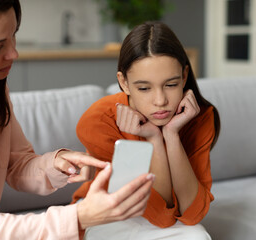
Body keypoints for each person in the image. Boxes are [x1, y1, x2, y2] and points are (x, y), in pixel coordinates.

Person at [0, 0, 154, 239]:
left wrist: (58, 164)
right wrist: (80, 216)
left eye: (13, 36)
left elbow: (15, 163)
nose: (13, 53)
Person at [72, 21, 221, 239]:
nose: (160, 101)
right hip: (109, 210)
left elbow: (192, 215)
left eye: (170, 84)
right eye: (144, 88)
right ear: (123, 82)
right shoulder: (98, 121)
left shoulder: (199, 117)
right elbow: (161, 215)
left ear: (184, 75)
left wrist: (171, 135)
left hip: (165, 217)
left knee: (199, 237)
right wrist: (153, 138)